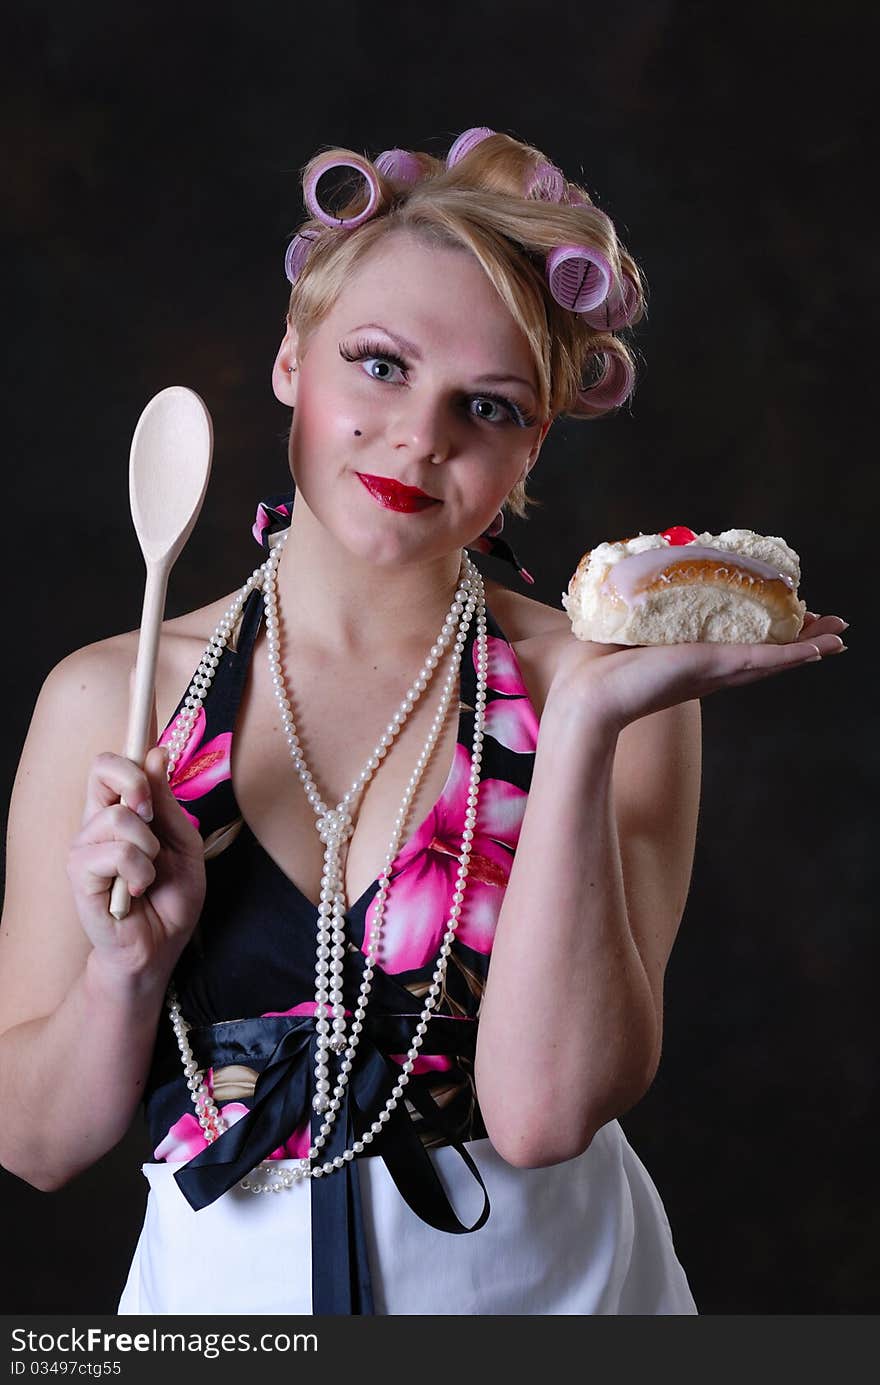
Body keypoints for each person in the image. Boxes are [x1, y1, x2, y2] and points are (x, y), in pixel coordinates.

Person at [0, 127, 848, 1316]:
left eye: (487, 405)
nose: (421, 435)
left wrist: (588, 726)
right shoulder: (114, 695)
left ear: (532, 441)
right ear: (292, 357)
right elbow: (34, 1142)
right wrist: (123, 974)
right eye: (381, 365)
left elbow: (544, 1114)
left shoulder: (609, 688)